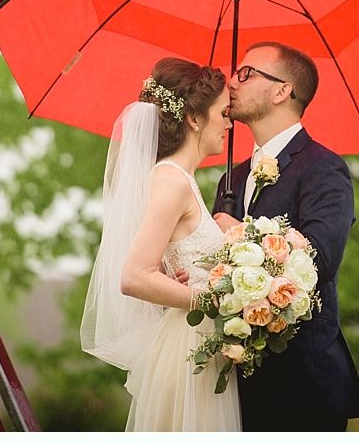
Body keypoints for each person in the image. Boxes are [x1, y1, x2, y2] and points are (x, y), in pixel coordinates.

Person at [212, 41, 359, 431]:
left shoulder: (324, 169)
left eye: (246, 73)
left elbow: (319, 261)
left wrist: (239, 235)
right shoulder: (230, 178)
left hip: (304, 387)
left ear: (282, 91)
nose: (232, 81)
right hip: (234, 388)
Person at [80, 57, 240, 431]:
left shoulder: (182, 179)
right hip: (187, 351)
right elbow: (134, 276)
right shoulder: (172, 181)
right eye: (223, 113)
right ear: (194, 119)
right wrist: (209, 299)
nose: (230, 123)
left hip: (199, 344)